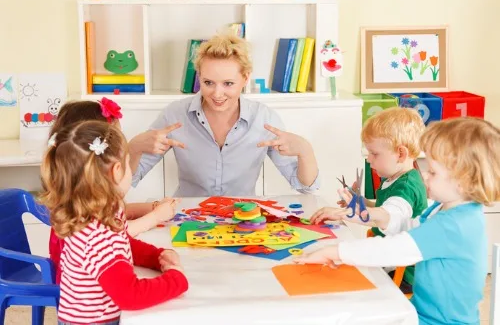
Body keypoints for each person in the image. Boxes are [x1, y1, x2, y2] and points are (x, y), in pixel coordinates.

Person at [295, 117, 500, 325]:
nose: (425, 177)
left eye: (433, 172)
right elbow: (410, 227)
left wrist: (336, 251)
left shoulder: (454, 225)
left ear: (464, 181)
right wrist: (363, 217)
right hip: (423, 312)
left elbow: (396, 248)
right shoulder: (448, 209)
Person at [130, 33, 320, 197]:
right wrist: (134, 147)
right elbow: (128, 178)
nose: (217, 94)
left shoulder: (264, 118)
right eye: (208, 83)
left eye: (228, 83)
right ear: (199, 76)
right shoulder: (175, 114)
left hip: (243, 219)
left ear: (245, 78)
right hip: (188, 217)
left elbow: (305, 186)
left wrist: (306, 150)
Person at [39, 120, 188, 325]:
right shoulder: (97, 236)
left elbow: (123, 240)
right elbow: (130, 296)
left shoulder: (98, 211)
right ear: (117, 170)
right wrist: (175, 280)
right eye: (128, 164)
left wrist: (156, 256)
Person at [46, 98, 179, 284]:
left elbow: (118, 209)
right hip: (84, 290)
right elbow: (118, 232)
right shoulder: (81, 208)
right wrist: (155, 217)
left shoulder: (86, 191)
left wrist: (152, 207)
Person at [310, 107, 428, 293]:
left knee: (346, 282)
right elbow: (383, 207)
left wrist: (342, 214)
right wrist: (361, 202)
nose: (369, 159)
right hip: (390, 255)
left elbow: (386, 216)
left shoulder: (406, 188)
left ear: (401, 154)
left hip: (402, 272)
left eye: (374, 154)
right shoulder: (395, 177)